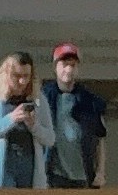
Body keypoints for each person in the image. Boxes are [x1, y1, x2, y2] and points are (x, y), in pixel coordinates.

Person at [0, 52, 52, 189]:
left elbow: (50, 139)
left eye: (26, 76)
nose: (22, 82)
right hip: (3, 170)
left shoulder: (39, 99)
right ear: (6, 75)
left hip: (30, 167)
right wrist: (10, 119)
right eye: (17, 76)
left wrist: (34, 126)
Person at [46, 42, 108, 187]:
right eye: (64, 64)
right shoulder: (44, 97)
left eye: (72, 65)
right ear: (55, 67)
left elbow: (100, 140)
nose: (68, 69)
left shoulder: (89, 101)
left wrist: (100, 172)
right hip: (52, 175)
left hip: (83, 176)